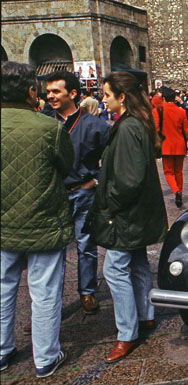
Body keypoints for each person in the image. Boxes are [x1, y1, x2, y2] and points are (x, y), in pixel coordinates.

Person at [87, 71, 168, 364]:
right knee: (137, 263)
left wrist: (110, 203)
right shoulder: (136, 124)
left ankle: (127, 333)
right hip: (137, 214)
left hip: (126, 214)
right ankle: (145, 317)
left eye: (107, 94)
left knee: (115, 270)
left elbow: (129, 180)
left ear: (122, 97)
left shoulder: (128, 127)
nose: (103, 99)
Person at [1, 61, 74, 378]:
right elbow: (66, 166)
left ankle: (2, 352)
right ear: (31, 91)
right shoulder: (50, 128)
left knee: (2, 290)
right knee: (44, 293)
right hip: (43, 221)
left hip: (2, 225)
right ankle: (45, 357)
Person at [43, 71, 110, 315]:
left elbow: (112, 161)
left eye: (55, 91)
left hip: (82, 193)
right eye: (48, 91)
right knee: (51, 251)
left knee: (86, 245)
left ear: (72, 94)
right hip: (53, 195)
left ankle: (87, 292)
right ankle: (48, 304)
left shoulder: (95, 126)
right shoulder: (43, 122)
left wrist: (95, 181)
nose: (50, 96)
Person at [152, 87, 188, 207]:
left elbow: (155, 129)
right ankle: (180, 193)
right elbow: (187, 131)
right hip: (180, 145)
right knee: (178, 172)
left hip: (166, 145)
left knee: (168, 172)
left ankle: (176, 191)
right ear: (175, 98)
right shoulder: (181, 111)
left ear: (163, 98)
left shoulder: (157, 111)